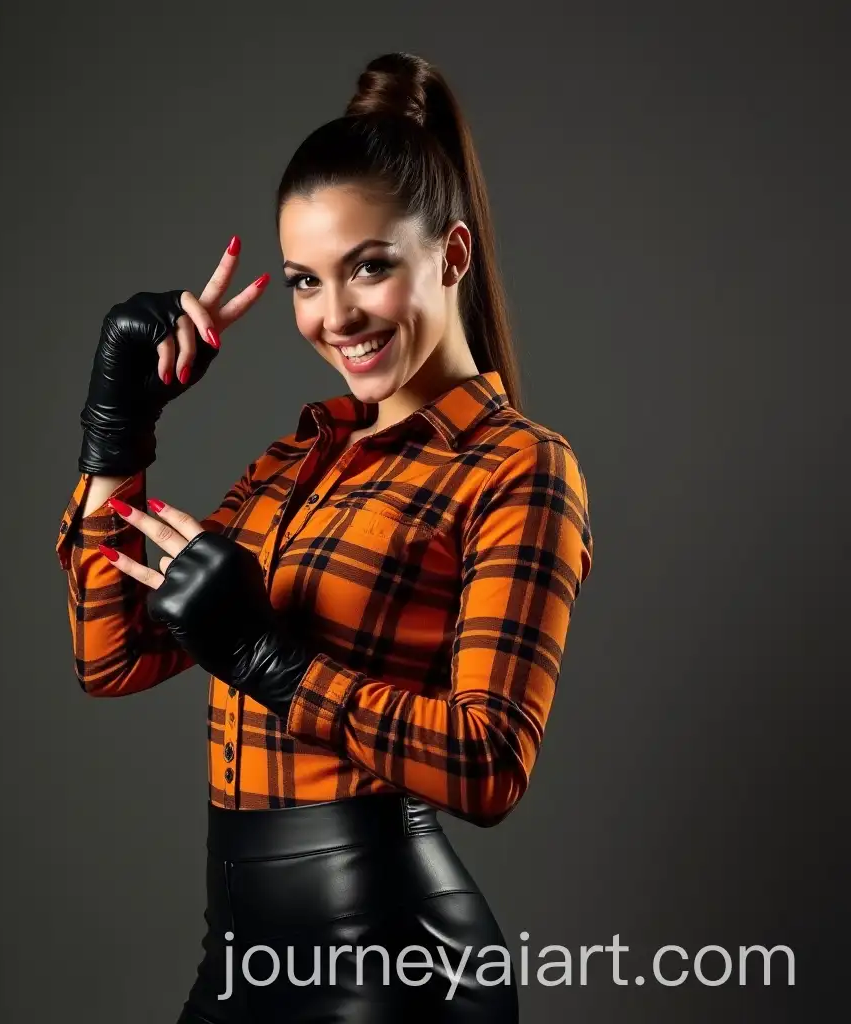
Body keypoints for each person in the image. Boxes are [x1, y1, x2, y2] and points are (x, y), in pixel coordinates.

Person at [55, 51, 593, 1023]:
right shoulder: (293, 463)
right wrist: (117, 425)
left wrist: (269, 661)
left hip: (395, 964)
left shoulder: (516, 466)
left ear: (452, 256)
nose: (334, 316)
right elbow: (112, 655)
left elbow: (490, 763)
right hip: (237, 958)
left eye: (369, 267)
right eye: (306, 280)